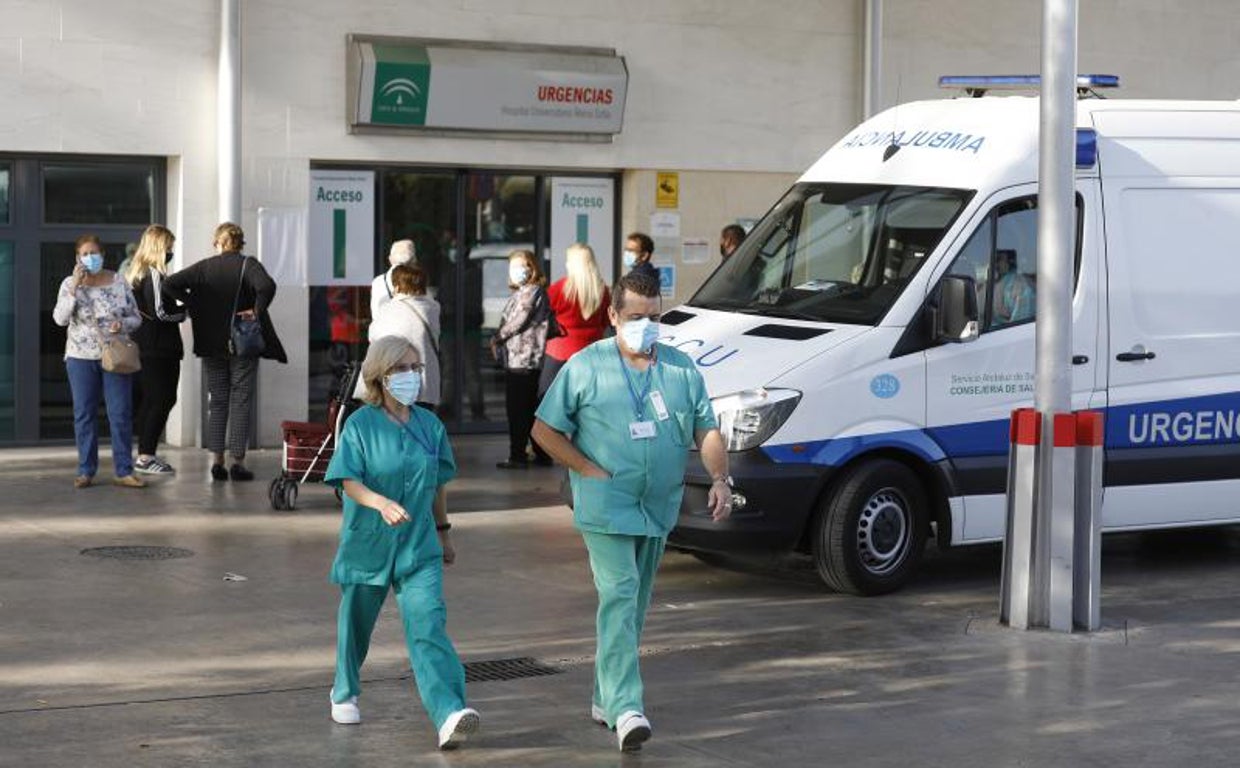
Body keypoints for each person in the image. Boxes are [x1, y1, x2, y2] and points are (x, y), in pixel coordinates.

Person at [531, 270, 731, 752]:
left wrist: (720, 478)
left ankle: (605, 697)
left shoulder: (680, 369)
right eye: (636, 317)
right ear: (614, 316)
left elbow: (705, 428)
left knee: (633, 606)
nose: (647, 325)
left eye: (654, 317)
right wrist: (586, 469)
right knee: (620, 594)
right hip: (606, 505)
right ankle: (626, 707)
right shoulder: (586, 366)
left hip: (657, 506)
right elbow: (543, 430)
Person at [324, 335, 481, 750]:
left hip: (419, 545)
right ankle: (344, 690)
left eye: (416, 368)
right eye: (402, 368)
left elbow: (438, 483)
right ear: (380, 374)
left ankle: (449, 713)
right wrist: (379, 503)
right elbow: (347, 480)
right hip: (369, 542)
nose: (411, 376)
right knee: (356, 623)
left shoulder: (430, 425)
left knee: (428, 623)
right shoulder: (360, 424)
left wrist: (444, 532)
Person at [163, 222, 287, 481]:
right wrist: (256, 311)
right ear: (240, 243)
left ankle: (217, 461)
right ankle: (238, 462)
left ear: (218, 243)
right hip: (243, 343)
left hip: (210, 344)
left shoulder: (204, 267)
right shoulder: (248, 265)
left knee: (217, 401)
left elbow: (170, 284)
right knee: (240, 400)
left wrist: (194, 303)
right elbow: (267, 286)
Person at [52, 234, 145, 489]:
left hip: (115, 356)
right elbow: (60, 319)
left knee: (120, 413)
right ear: (77, 258)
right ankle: (86, 470)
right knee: (84, 414)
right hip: (80, 357)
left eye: (94, 253)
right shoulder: (69, 284)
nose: (90, 258)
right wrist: (75, 287)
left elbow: (136, 318)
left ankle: (124, 470)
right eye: (85, 254)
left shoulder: (118, 281)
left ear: (102, 254)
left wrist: (122, 324)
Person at [125, 224, 185, 475]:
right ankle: (146, 456)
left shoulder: (135, 275)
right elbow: (161, 312)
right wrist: (184, 312)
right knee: (163, 399)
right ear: (159, 247)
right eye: (169, 247)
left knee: (151, 401)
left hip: (146, 347)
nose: (171, 252)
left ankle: (144, 454)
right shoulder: (154, 275)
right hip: (159, 349)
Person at [490, 250, 552, 469]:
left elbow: (519, 320)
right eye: (513, 266)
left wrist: (497, 337)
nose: (518, 270)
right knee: (528, 408)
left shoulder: (532, 291)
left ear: (532, 267)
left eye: (522, 265)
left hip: (524, 360)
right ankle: (540, 452)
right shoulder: (523, 292)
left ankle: (518, 455)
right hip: (520, 359)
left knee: (518, 409)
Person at [364, 263, 442, 409]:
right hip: (424, 383)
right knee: (422, 420)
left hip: (395, 383)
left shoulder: (388, 310)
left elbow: (374, 338)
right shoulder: (432, 309)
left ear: (397, 286)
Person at [540, 243, 610, 396]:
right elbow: (606, 321)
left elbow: (543, 318)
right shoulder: (602, 290)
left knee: (549, 398)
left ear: (573, 264)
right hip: (591, 353)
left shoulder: (559, 289)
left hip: (559, 353)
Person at [370, 239, 416, 320]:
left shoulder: (377, 282)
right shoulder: (417, 280)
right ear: (413, 260)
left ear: (390, 259)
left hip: (384, 326)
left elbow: (376, 315)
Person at [992, 249, 1035, 326]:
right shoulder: (998, 282)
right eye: (994, 260)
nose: (996, 264)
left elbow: (1020, 324)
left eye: (999, 259)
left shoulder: (1020, 286)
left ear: (1010, 262)